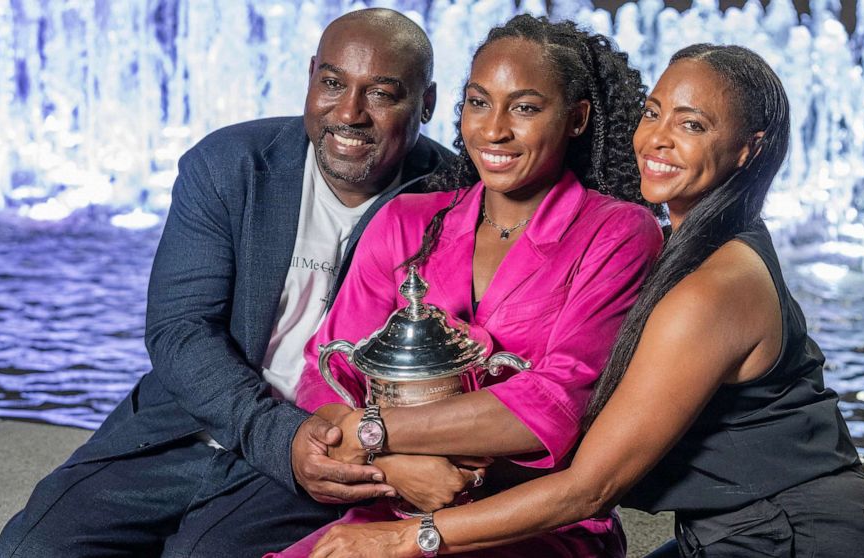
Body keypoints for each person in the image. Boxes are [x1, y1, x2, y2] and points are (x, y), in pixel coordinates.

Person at [308, 45, 864, 558]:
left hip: (801, 536)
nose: (658, 139)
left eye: (693, 125)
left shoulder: (714, 289)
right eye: (653, 113)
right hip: (736, 531)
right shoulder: (693, 243)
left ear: (748, 150)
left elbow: (591, 489)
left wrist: (406, 537)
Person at [0, 9, 454, 557]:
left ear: (425, 103)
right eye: (332, 83)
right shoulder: (230, 164)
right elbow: (180, 329)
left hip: (331, 447)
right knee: (33, 548)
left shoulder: (455, 198)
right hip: (187, 427)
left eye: (380, 93)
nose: (349, 113)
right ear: (310, 76)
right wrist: (274, 434)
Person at [269, 14, 662, 558]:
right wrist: (391, 463)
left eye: (524, 108)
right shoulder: (406, 221)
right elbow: (325, 376)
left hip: (532, 522)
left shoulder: (617, 232)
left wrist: (374, 432)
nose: (494, 129)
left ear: (576, 118)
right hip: (388, 504)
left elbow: (556, 405)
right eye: (479, 102)